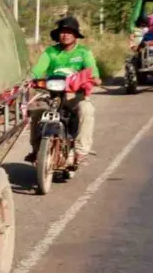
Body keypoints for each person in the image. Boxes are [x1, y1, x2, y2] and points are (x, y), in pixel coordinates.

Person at [28, 16, 101, 167]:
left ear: (75, 35)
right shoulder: (50, 52)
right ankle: (36, 149)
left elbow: (92, 70)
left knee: (87, 110)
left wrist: (94, 77)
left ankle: (81, 151)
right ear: (58, 34)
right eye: (62, 32)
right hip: (52, 94)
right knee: (37, 111)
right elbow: (38, 69)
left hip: (75, 95)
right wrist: (30, 78)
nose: (65, 35)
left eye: (69, 32)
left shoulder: (83, 52)